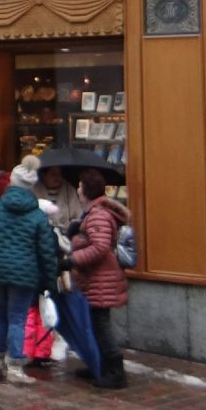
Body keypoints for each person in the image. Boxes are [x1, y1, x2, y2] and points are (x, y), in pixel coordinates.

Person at [0, 155, 57, 384]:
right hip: (24, 274)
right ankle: (15, 367)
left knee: (0, 316)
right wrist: (49, 281)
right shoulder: (38, 215)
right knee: (17, 318)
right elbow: (46, 252)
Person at [68, 167, 131, 389]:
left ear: (86, 190)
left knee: (100, 325)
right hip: (95, 278)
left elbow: (100, 246)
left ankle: (115, 372)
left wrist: (73, 259)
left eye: (80, 186)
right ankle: (100, 365)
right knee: (95, 324)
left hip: (100, 278)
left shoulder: (98, 214)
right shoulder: (93, 213)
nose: (77, 189)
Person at [32, 165, 84, 232]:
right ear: (43, 175)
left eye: (60, 174)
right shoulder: (34, 190)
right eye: (53, 174)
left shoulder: (69, 190)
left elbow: (78, 215)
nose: (57, 177)